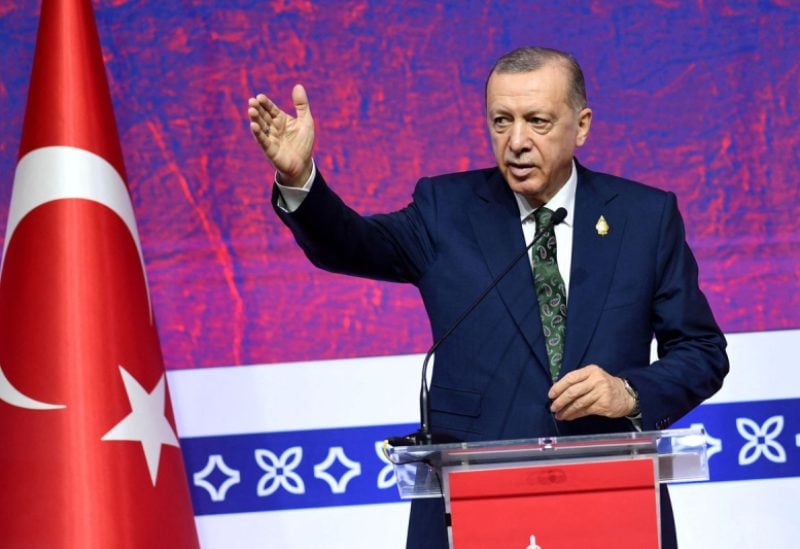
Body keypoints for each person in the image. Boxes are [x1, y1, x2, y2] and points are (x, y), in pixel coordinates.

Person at [248, 46, 728, 549]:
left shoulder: (644, 218)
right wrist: (301, 179)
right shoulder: (445, 209)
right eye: (501, 121)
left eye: (537, 121)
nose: (516, 141)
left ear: (581, 125)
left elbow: (701, 352)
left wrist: (628, 392)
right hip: (474, 504)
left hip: (611, 499)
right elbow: (349, 244)